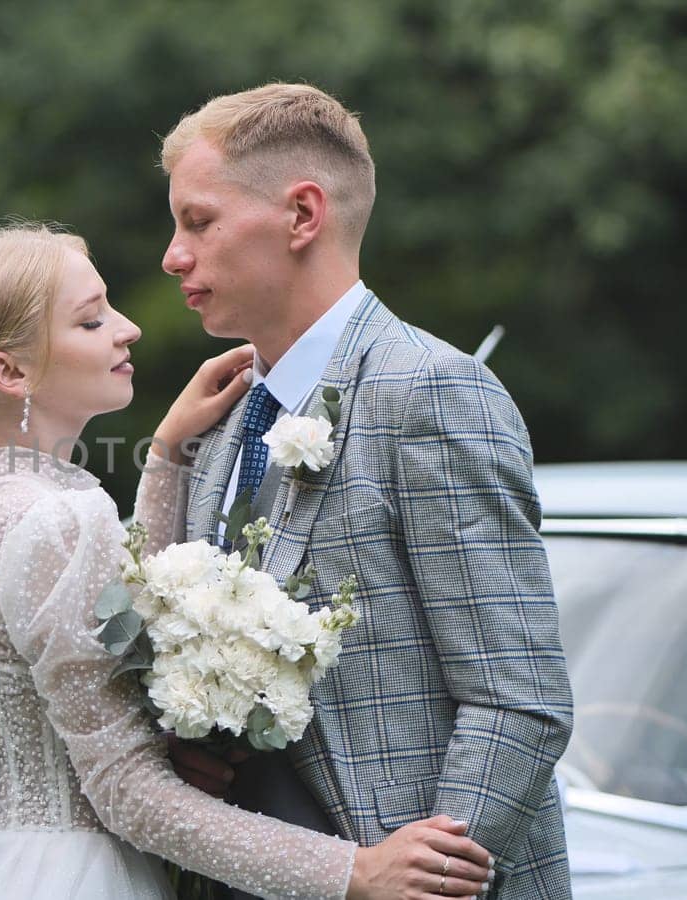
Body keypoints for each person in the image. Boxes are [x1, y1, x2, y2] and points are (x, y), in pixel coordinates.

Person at [0, 222, 492, 899]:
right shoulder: (52, 519)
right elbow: (127, 792)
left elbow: (103, 622)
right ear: (9, 372)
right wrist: (351, 871)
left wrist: (167, 458)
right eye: (90, 322)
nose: (129, 329)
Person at [155, 84, 574, 900]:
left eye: (197, 221)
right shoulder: (217, 417)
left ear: (302, 215)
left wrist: (422, 881)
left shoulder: (432, 393)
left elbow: (519, 701)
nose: (173, 255)